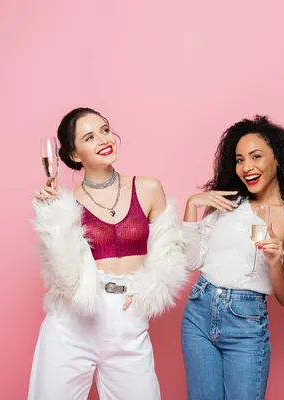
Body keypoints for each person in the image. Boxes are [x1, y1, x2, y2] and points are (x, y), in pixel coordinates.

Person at [28, 107, 188, 400]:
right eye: (89, 137)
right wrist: (52, 214)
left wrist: (148, 289)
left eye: (105, 130)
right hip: (74, 323)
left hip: (127, 319)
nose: (104, 139)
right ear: (75, 155)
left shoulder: (148, 188)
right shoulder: (67, 203)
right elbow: (61, 272)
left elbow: (170, 252)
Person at [180, 115, 284, 400]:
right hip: (198, 312)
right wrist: (192, 206)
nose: (246, 167)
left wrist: (275, 262)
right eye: (240, 159)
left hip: (246, 321)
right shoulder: (226, 202)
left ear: (277, 159)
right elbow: (192, 262)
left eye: (256, 156)